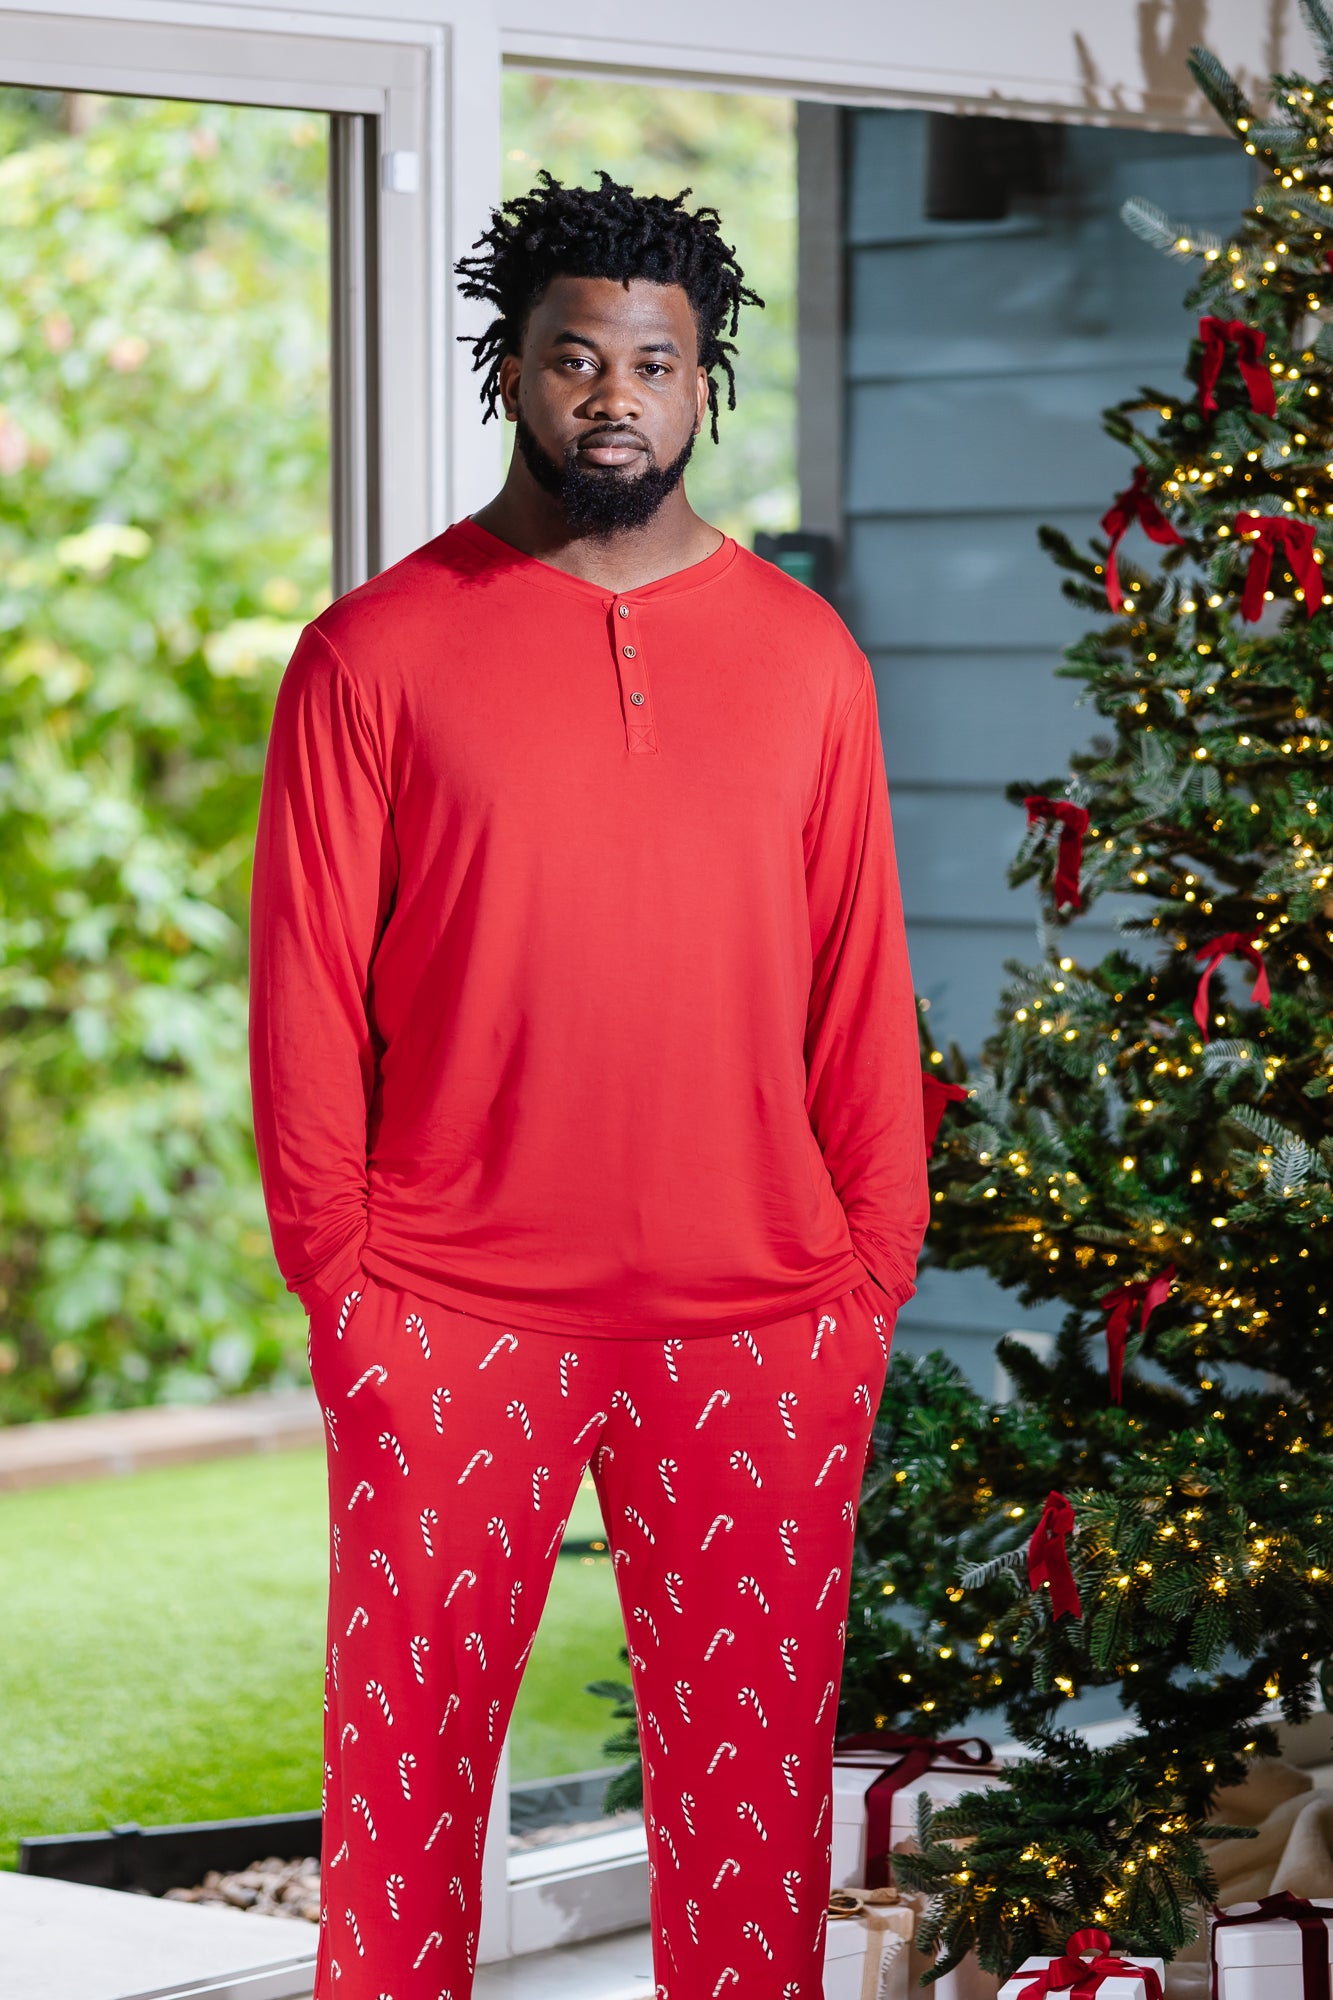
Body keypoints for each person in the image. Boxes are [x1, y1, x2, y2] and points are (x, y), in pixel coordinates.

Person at [248, 169, 929, 2000]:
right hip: (452, 1314)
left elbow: (860, 980)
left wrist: (871, 1268)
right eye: (576, 358)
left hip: (767, 1316)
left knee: (751, 1813)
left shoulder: (804, 661)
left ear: (707, 387)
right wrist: (348, 1284)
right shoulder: (371, 658)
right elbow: (304, 997)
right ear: (515, 374)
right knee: (396, 1799)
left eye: (657, 361)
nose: (615, 395)